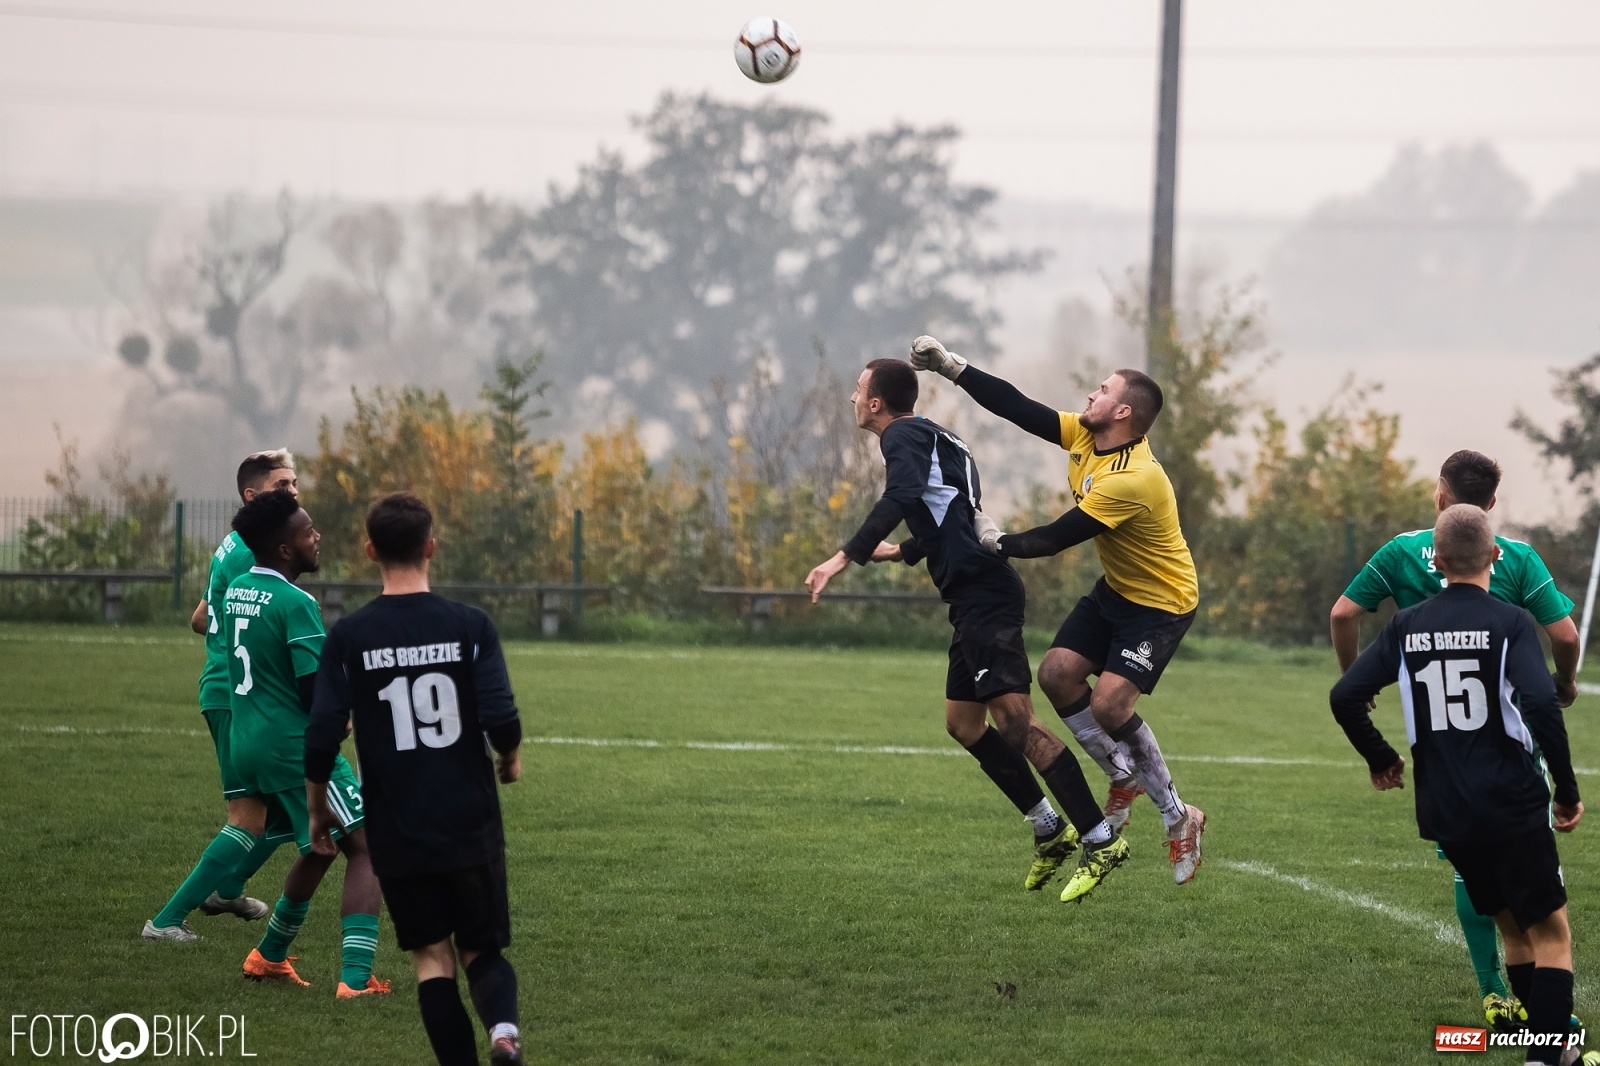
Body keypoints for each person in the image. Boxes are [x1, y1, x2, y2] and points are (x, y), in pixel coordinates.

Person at [804, 358, 1127, 902]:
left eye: (858, 390)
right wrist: (901, 551)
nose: (853, 400)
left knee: (1017, 724)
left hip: (985, 597)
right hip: (974, 596)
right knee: (963, 723)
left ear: (877, 403)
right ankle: (1049, 827)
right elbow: (951, 513)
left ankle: (1100, 838)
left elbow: (904, 496)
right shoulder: (941, 436)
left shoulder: (900, 437)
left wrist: (846, 556)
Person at [909, 335, 1206, 885]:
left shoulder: (1133, 478)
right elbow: (1019, 408)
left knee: (1112, 708)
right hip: (1118, 590)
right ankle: (1122, 776)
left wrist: (995, 540)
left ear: (1123, 411)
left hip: (1161, 603)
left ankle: (1178, 815)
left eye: (1102, 390)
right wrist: (952, 367)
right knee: (1057, 675)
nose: (1089, 394)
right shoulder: (1090, 439)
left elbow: (1055, 538)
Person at [1330, 449, 1580, 1030]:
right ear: (1492, 508)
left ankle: (1496, 994)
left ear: (1439, 497)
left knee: (1479, 880)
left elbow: (1344, 614)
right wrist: (1563, 683)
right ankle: (1554, 1039)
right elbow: (1563, 636)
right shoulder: (1514, 559)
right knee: (1546, 919)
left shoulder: (1400, 558)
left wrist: (1358, 684)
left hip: (1439, 769)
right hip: (1508, 758)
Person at [305, 493, 525, 1065]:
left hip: (398, 826)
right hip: (468, 819)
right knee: (482, 949)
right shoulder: (469, 625)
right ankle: (503, 1030)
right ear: (431, 546)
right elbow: (500, 714)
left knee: (432, 960)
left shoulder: (349, 638)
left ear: (371, 550)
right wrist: (510, 757)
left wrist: (316, 807)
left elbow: (324, 732)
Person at [224, 489, 389, 997]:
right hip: (290, 747)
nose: (317, 536)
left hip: (248, 741)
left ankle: (268, 956)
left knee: (322, 845)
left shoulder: (238, 588)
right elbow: (312, 691)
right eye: (307, 531)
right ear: (285, 550)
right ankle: (356, 982)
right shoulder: (296, 603)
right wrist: (342, 716)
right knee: (369, 846)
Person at [142, 449, 301, 942]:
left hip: (234, 690)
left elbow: (199, 617)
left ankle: (227, 887)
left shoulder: (235, 548)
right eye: (282, 486)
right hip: (239, 695)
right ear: (252, 496)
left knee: (274, 811)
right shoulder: (253, 553)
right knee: (252, 818)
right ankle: (165, 921)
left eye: (296, 483)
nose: (293, 492)